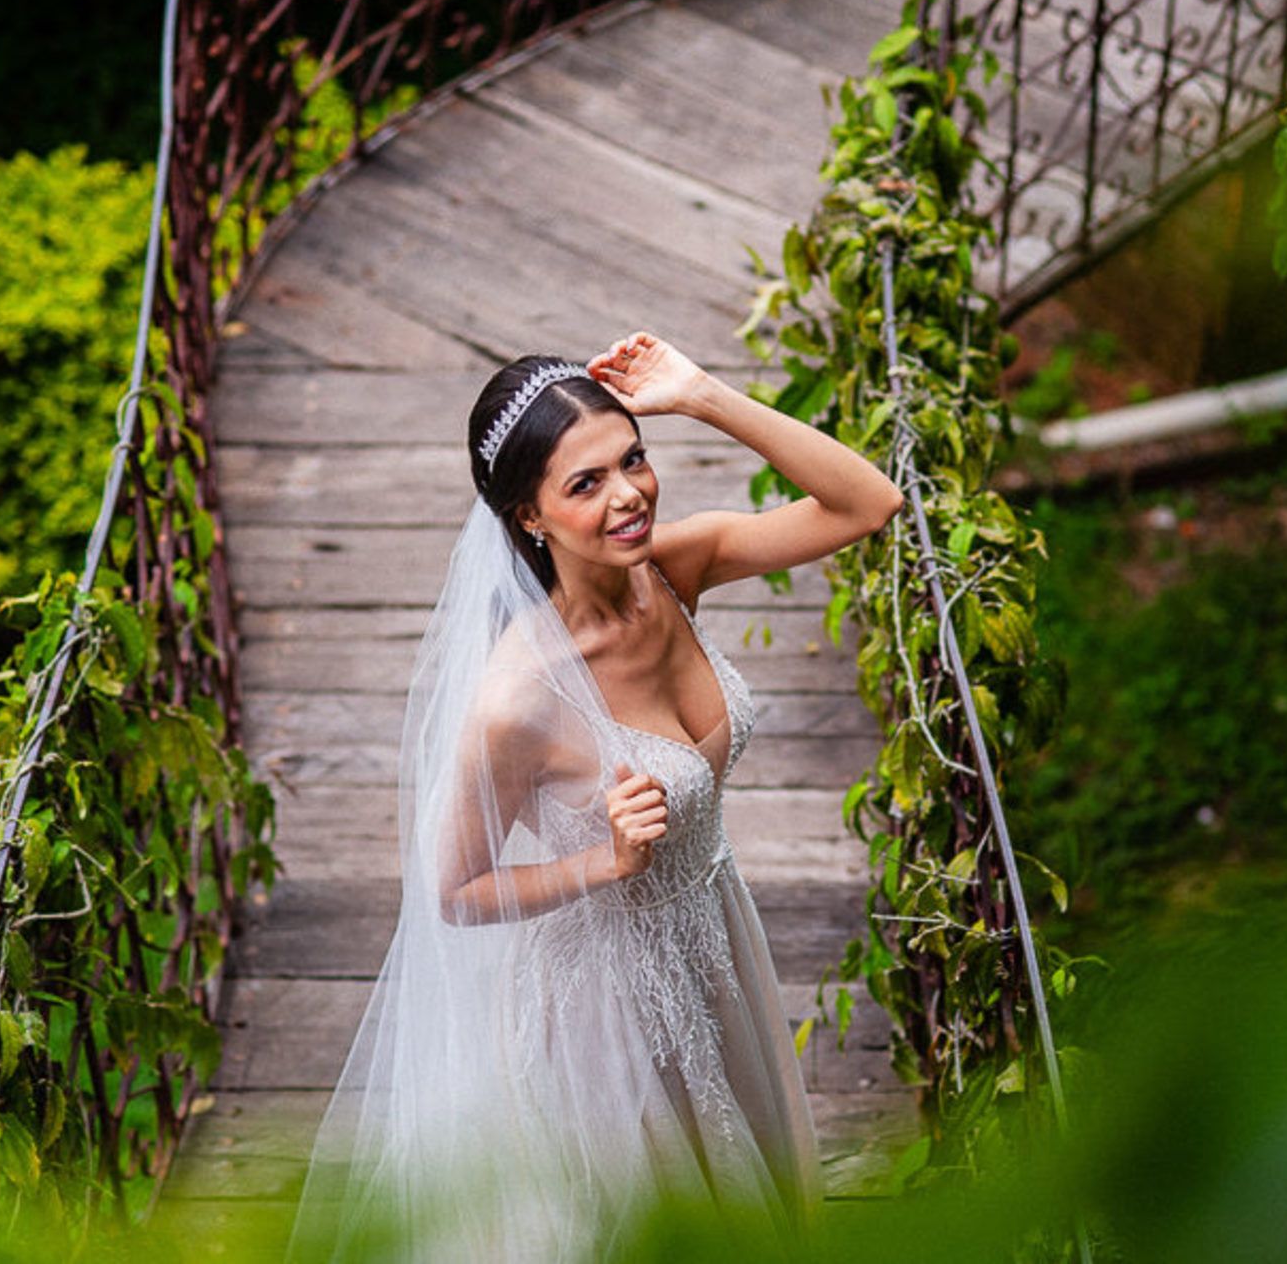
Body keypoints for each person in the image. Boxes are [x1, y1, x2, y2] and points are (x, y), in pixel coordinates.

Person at [287, 332, 904, 1262]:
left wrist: (702, 395)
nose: (628, 497)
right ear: (528, 517)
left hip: (714, 941)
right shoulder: (518, 697)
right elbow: (452, 892)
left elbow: (870, 503)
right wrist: (603, 860)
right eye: (585, 484)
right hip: (606, 1002)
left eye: (634, 460)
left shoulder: (671, 570)